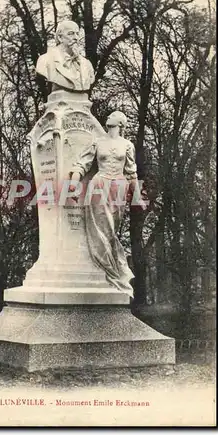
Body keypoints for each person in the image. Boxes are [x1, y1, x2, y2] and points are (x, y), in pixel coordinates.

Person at [70, 111, 144, 298]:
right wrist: (73, 183)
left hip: (119, 186)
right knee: (102, 227)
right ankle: (108, 271)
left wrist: (137, 197)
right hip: (99, 184)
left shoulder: (127, 145)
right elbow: (82, 164)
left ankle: (114, 270)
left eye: (112, 116)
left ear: (120, 123)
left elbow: (132, 173)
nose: (108, 117)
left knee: (113, 230)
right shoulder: (98, 142)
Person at [36, 20, 95, 92]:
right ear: (60, 38)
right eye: (71, 34)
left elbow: (90, 80)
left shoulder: (86, 64)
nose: (76, 38)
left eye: (77, 34)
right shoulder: (45, 60)